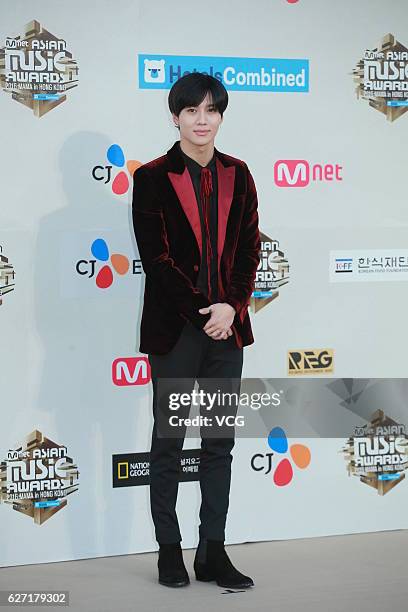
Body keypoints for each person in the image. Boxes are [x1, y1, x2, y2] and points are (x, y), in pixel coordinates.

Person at [132, 72, 260, 589]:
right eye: (192, 111)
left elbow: (251, 249)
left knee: (218, 445)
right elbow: (157, 260)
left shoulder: (240, 174)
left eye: (211, 110)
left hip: (227, 332)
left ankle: (212, 552)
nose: (202, 120)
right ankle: (169, 551)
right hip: (177, 333)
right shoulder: (153, 177)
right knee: (168, 443)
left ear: (222, 116)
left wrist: (231, 306)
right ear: (176, 117)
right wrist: (205, 311)